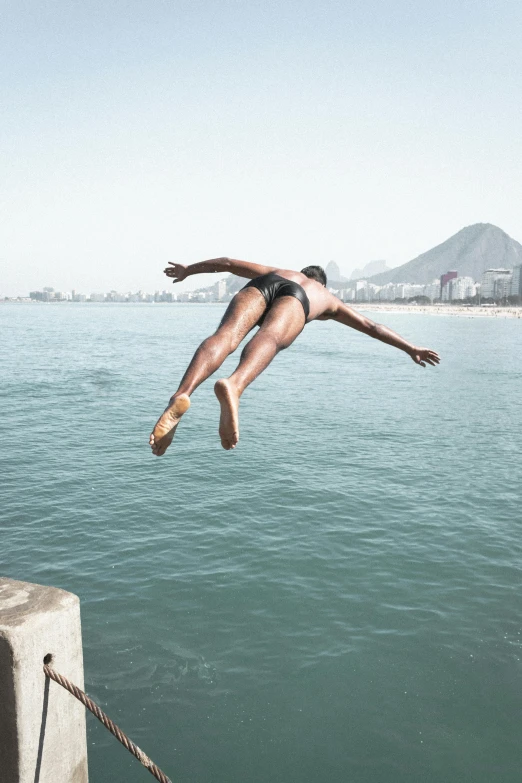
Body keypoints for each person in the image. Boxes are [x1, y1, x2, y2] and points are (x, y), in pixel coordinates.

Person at [150, 257, 440, 455]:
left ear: (304, 272)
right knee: (271, 338)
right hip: (296, 301)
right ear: (322, 284)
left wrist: (189, 270)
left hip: (261, 286)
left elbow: (228, 263)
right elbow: (372, 327)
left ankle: (181, 393)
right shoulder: (326, 298)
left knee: (225, 336)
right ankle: (235, 385)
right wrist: (410, 348)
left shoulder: (280, 270)